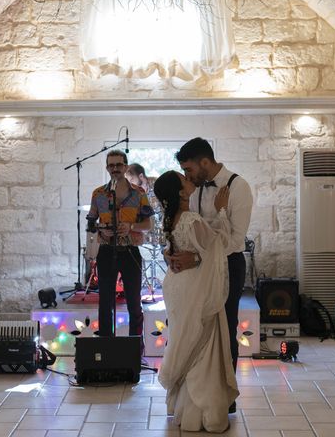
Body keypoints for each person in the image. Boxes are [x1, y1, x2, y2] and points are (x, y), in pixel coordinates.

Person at [169, 137, 253, 410]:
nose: (186, 176)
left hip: (228, 264)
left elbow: (235, 240)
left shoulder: (238, 186)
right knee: (200, 328)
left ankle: (224, 399)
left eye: (189, 169)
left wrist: (195, 257)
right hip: (197, 268)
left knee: (226, 328)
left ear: (204, 162)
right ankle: (198, 394)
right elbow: (189, 230)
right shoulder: (192, 188)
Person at [154, 170, 238, 432]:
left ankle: (184, 411)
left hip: (177, 286)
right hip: (194, 287)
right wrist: (221, 211)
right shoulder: (191, 219)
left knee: (184, 338)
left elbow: (173, 251)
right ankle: (205, 414)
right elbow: (219, 246)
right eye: (185, 180)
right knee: (203, 344)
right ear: (181, 192)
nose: (190, 181)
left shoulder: (170, 220)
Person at [86, 150, 154, 347]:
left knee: (134, 301)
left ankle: (135, 349)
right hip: (107, 251)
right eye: (111, 165)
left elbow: (148, 225)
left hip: (131, 251)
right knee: (105, 302)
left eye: (119, 165)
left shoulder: (139, 193)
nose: (115, 169)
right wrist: (100, 230)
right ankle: (106, 348)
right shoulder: (98, 194)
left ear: (125, 167)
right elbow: (91, 223)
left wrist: (131, 226)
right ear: (107, 168)